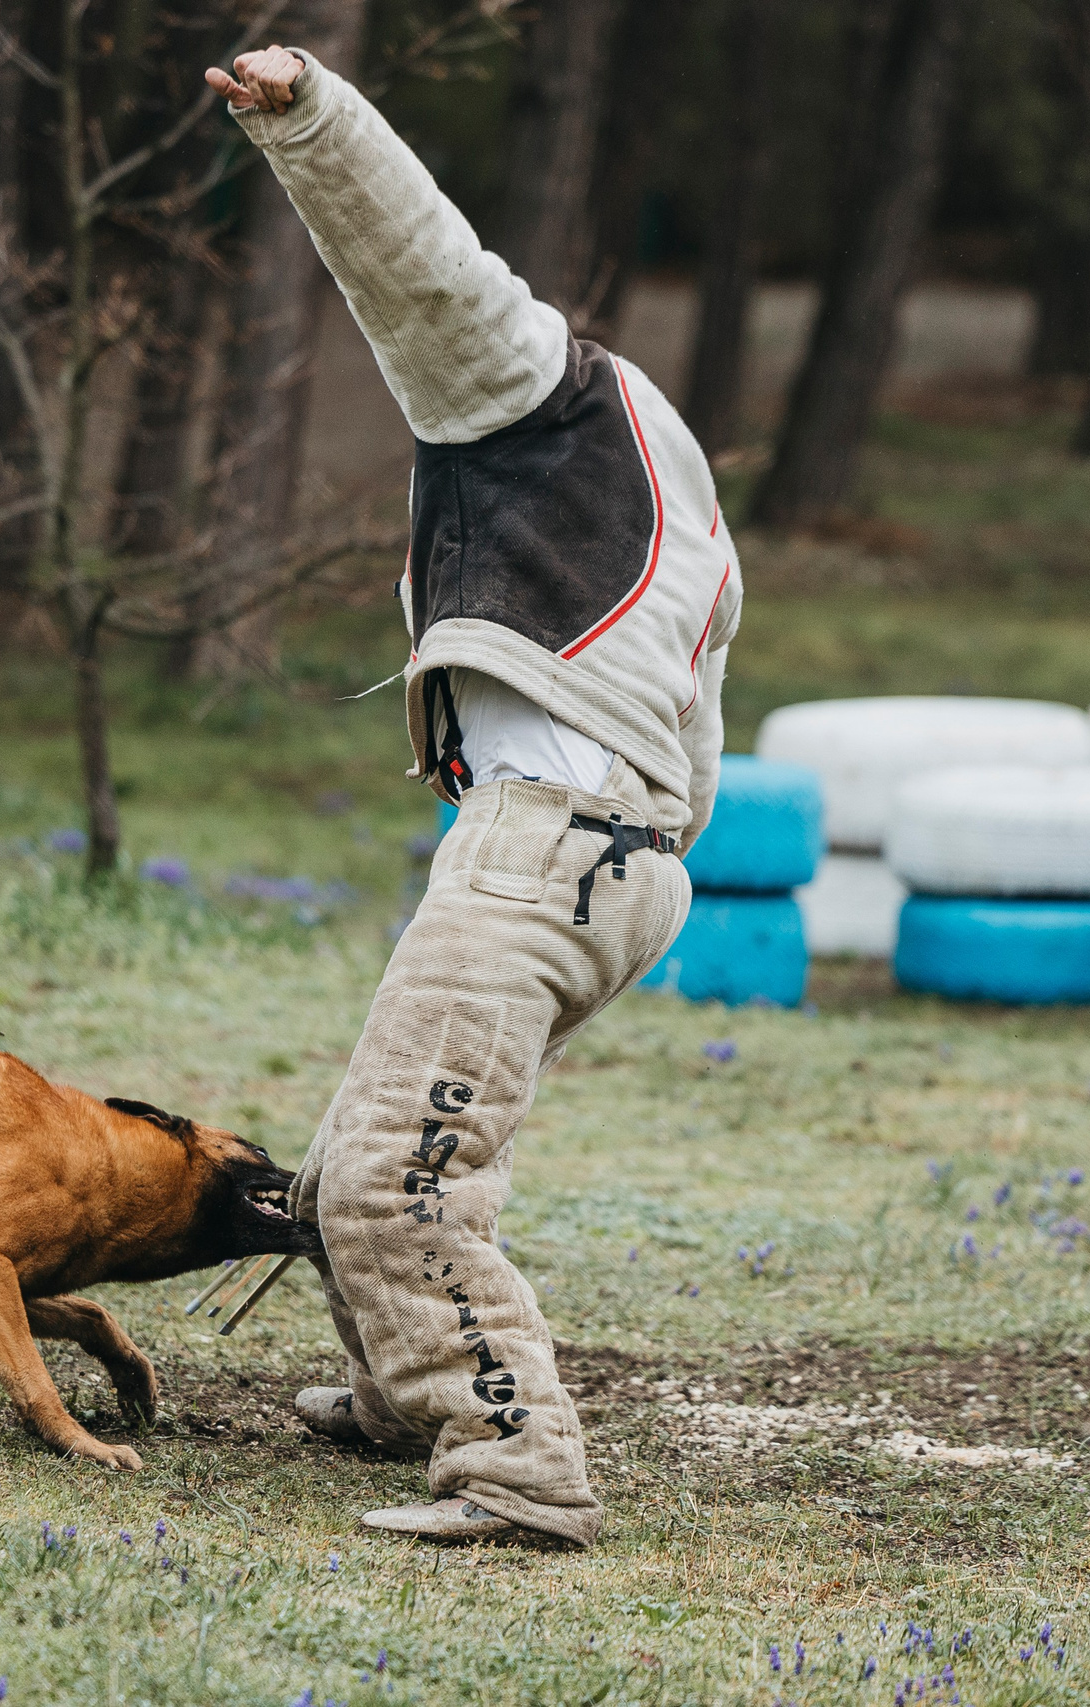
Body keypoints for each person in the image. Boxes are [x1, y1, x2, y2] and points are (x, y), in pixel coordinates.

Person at [208, 46, 742, 1547]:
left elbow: (424, 267)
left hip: (544, 846)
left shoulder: (536, 391)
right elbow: (693, 715)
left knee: (395, 1182)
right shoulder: (672, 487)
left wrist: (310, 116)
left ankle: (517, 1468)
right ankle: (398, 1388)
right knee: (346, 1163)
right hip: (618, 857)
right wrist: (641, 857)